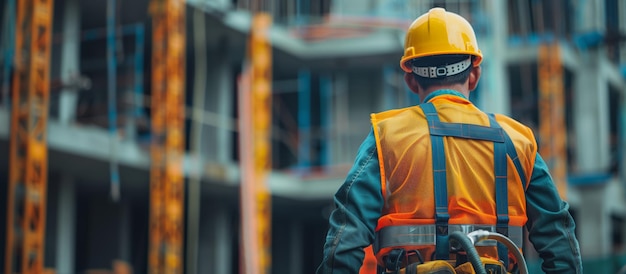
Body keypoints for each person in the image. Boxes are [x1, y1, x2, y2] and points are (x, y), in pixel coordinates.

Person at [316, 7, 583, 274]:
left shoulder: (388, 137)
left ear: (410, 79)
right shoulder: (518, 141)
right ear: (474, 75)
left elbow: (345, 238)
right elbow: (559, 241)